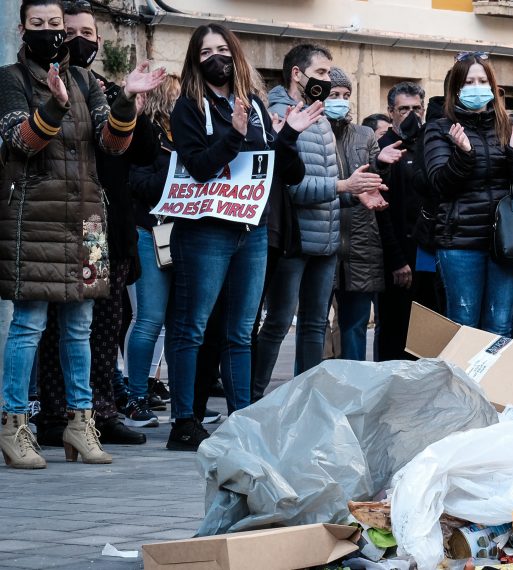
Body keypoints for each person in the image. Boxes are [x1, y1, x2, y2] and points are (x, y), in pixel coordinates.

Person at [0, 0, 161, 468]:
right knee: (28, 324)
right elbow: (20, 142)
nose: (51, 33)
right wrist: (53, 104)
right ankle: (14, 425)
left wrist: (127, 99)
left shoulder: (87, 80)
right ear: (22, 27)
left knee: (81, 327)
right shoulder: (9, 80)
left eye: (56, 25)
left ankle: (81, 422)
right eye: (40, 25)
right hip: (34, 217)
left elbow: (112, 143)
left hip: (89, 220)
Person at [166, 23, 321, 451]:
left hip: (250, 231)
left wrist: (288, 135)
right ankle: (184, 420)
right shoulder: (189, 107)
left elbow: (283, 172)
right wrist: (233, 135)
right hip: (205, 232)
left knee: (240, 331)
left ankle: (241, 419)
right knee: (192, 327)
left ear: (235, 54)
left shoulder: (253, 102)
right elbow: (198, 166)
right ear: (195, 62)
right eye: (205, 52)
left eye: (222, 48)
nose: (215, 57)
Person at [254, 45, 387, 395]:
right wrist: (344, 185)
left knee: (315, 325)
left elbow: (325, 185)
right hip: (293, 241)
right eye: (323, 73)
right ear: (297, 74)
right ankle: (251, 398)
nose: (328, 81)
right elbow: (293, 188)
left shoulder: (321, 117)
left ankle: (306, 401)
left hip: (326, 241)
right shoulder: (282, 115)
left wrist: (353, 194)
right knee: (279, 323)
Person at [421, 52, 513, 335]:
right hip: (460, 241)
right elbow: (439, 185)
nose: (477, 87)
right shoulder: (439, 129)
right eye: (469, 81)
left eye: (482, 80)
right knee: (464, 324)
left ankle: (491, 381)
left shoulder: (509, 126)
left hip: (506, 241)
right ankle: (462, 382)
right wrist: (463, 155)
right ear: (455, 89)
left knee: (500, 324)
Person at [326, 67, 398, 361]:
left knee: (354, 326)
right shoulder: (310, 133)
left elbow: (374, 181)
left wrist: (380, 163)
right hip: (323, 241)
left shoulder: (364, 134)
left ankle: (354, 390)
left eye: (345, 95)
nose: (341, 101)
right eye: (334, 95)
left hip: (361, 244)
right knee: (314, 326)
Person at [123, 73, 181, 428]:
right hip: (149, 232)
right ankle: (135, 398)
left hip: (180, 235)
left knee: (180, 323)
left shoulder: (183, 137)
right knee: (149, 318)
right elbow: (139, 184)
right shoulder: (147, 135)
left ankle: (185, 403)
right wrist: (177, 171)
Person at [373, 81, 428, 361]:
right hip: (397, 256)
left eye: (416, 108)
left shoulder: (429, 145)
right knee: (394, 330)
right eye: (403, 109)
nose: (410, 114)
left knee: (426, 334)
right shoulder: (382, 148)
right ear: (390, 112)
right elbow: (381, 210)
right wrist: (396, 259)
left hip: (428, 254)